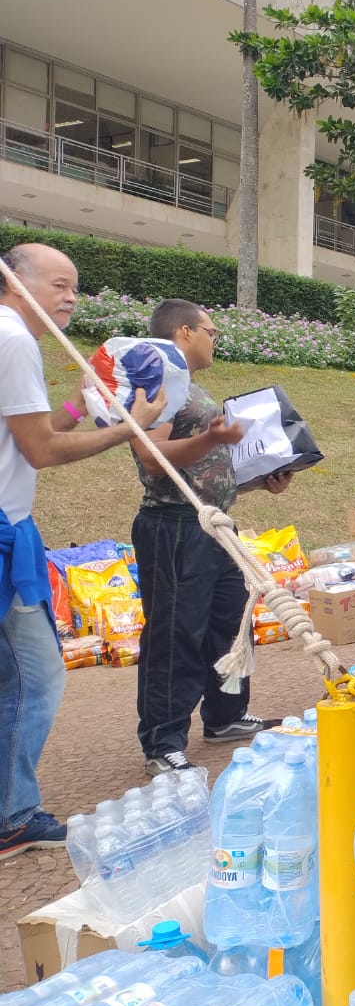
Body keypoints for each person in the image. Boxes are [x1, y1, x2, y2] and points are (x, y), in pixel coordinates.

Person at [0, 243, 166, 858]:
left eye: (76, 286)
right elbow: (42, 451)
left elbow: (26, 436)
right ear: (15, 283)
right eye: (60, 284)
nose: (72, 297)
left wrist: (82, 402)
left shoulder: (11, 338)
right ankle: (13, 816)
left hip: (9, 526)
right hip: (4, 531)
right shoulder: (13, 339)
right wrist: (129, 426)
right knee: (35, 675)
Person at [133, 299, 291, 776]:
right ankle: (162, 741)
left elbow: (203, 469)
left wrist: (259, 480)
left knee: (228, 623)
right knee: (177, 633)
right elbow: (149, 454)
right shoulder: (162, 381)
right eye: (211, 331)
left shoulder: (189, 387)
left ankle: (224, 716)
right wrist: (214, 439)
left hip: (211, 526)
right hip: (175, 526)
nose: (214, 339)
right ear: (184, 332)